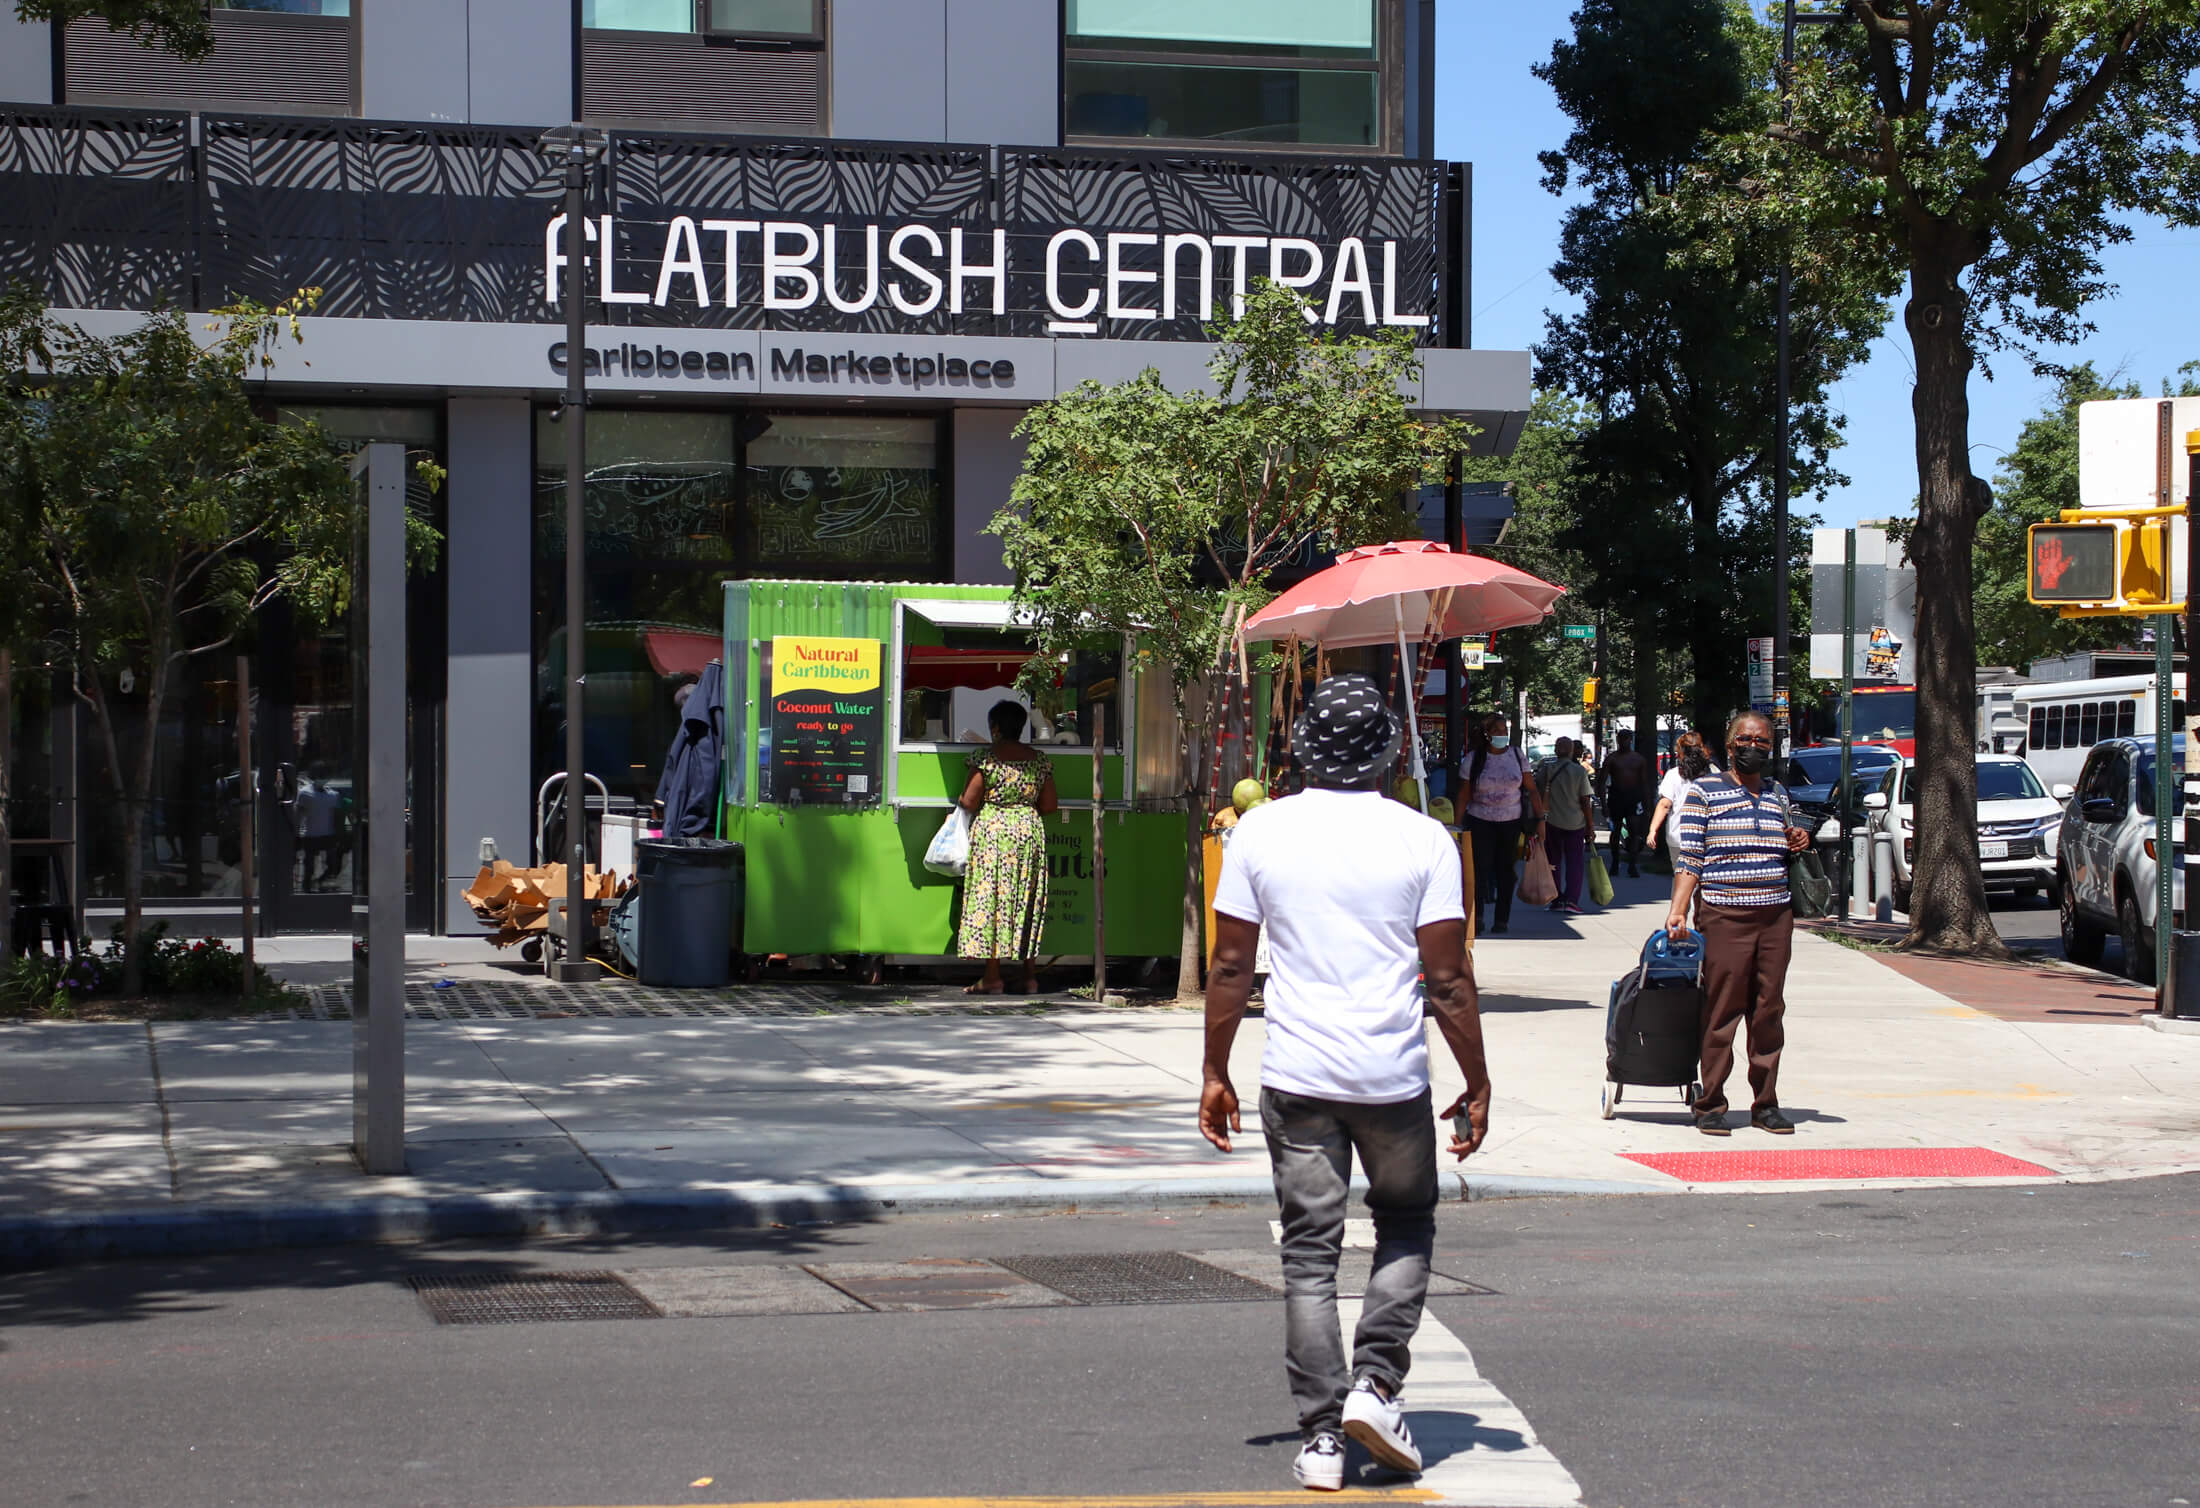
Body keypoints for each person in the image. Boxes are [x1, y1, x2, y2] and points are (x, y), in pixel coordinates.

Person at [1200, 673, 1492, 1493]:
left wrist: (1214, 1070)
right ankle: (1377, 1386)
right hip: (1391, 1077)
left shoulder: (1257, 833)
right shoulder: (1423, 838)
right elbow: (1449, 980)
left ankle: (1323, 1436)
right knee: (1404, 1225)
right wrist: (1476, 1078)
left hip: (1297, 1077)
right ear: (1391, 750)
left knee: (1307, 1257)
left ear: (1300, 748)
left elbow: (1229, 965)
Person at [1665, 711, 1810, 1137]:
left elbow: (1786, 841)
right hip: (1724, 915)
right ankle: (1710, 1103)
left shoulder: (1778, 793)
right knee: (1722, 1008)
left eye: (1763, 742)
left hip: (1775, 916)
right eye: (1746, 740)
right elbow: (1690, 858)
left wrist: (1795, 839)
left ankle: (1765, 1103)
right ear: (1729, 747)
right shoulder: (1703, 792)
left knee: (1769, 1010)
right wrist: (1678, 910)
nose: (1754, 747)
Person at [956, 700, 1058, 993]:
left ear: (996, 728)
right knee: (1026, 902)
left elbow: (969, 801)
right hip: (1028, 833)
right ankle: (1029, 977)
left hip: (993, 835)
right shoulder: (1039, 759)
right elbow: (1049, 805)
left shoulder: (986, 759)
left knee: (992, 902)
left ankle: (992, 978)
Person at [1460, 712, 1543, 935]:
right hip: (1480, 821)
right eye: (1496, 730)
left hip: (1511, 822)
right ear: (1487, 734)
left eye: (1504, 730)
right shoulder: (1474, 759)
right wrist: (1456, 826)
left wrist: (1540, 819)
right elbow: (1464, 794)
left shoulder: (1517, 755)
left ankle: (1501, 919)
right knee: (1479, 871)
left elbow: (1532, 789)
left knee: (1506, 871)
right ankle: (1476, 919)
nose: (1502, 734)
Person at [1647, 731, 1715, 872]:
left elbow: (1665, 804)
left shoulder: (1673, 775)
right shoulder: (1714, 773)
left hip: (1678, 835)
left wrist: (1653, 829)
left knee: (1680, 878)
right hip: (1707, 836)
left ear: (1681, 752)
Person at [1541, 736, 1594, 915]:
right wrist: (1590, 826)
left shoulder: (1546, 770)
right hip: (1575, 823)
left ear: (1556, 750)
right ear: (1571, 751)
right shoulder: (1579, 772)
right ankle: (1571, 901)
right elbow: (1585, 800)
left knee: (1553, 863)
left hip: (1552, 823)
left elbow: (1536, 793)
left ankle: (1556, 899)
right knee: (1575, 863)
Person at [1596, 728, 1653, 877]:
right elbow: (1601, 783)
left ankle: (1632, 864)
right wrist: (1604, 804)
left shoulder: (1639, 760)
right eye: (1621, 739)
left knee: (1634, 831)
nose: (1623, 742)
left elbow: (1645, 783)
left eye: (1626, 739)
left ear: (1630, 740)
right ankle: (1615, 862)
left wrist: (1647, 805)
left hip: (1633, 797)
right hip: (1616, 796)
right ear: (1618, 740)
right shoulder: (1612, 759)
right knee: (1615, 831)